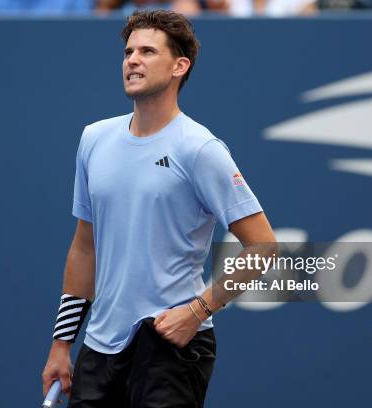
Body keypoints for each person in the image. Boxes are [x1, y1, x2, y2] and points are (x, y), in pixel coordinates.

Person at [42, 9, 276, 407]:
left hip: (172, 345)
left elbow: (264, 247)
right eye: (129, 51)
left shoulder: (199, 149)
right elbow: (85, 248)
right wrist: (62, 344)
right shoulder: (94, 139)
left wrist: (198, 310)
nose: (132, 59)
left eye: (148, 51)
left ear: (178, 67)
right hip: (99, 347)